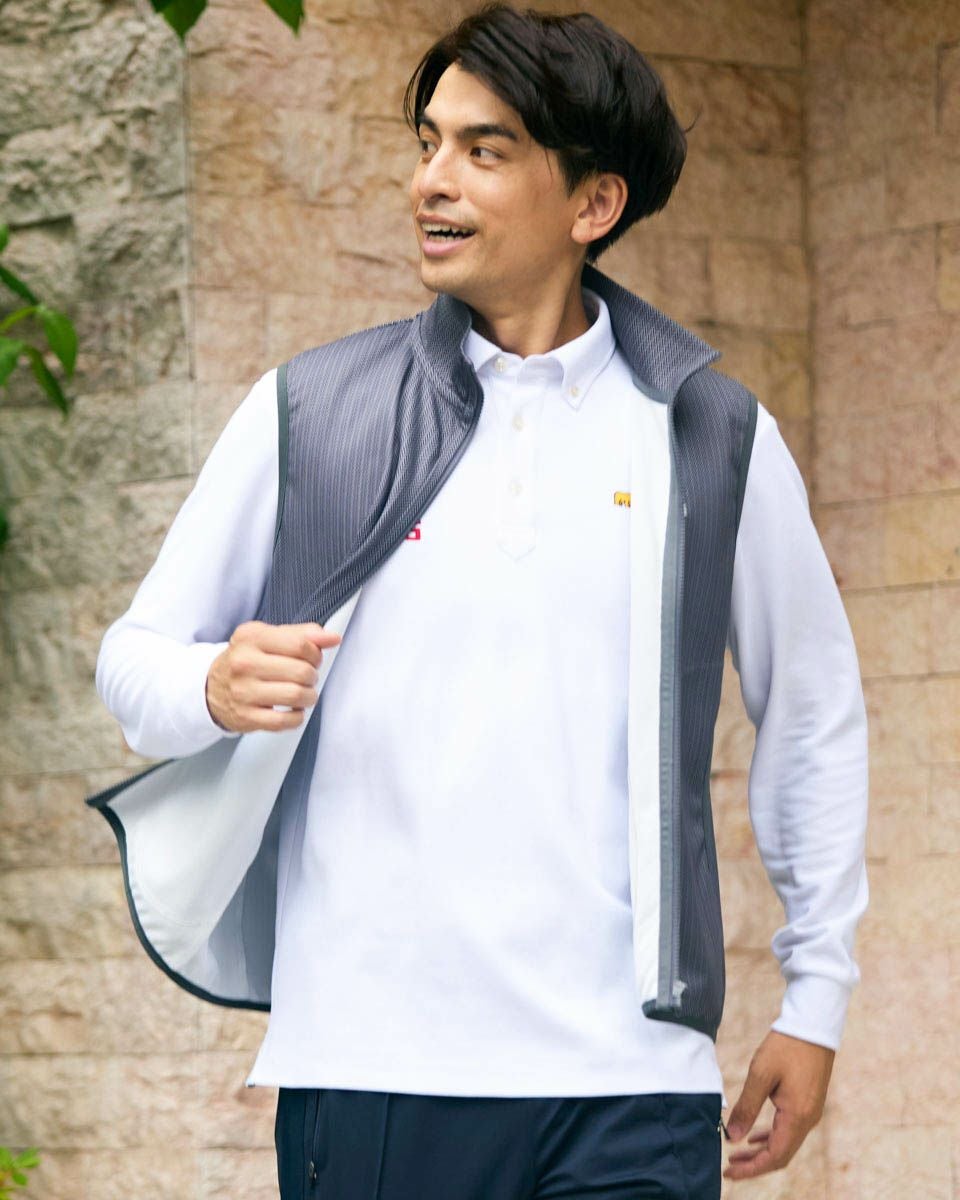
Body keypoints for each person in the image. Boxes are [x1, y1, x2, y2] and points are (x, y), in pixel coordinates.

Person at [92, 4, 869, 1197]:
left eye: (483, 150)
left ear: (594, 203)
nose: (431, 181)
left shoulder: (710, 433)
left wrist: (815, 1000)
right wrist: (213, 683)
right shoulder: (313, 411)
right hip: (375, 1067)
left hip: (633, 1079)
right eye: (429, 143)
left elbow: (811, 714)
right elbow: (132, 666)